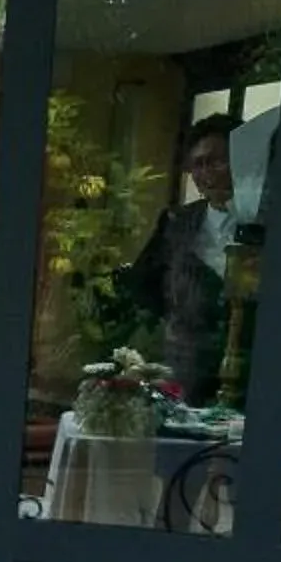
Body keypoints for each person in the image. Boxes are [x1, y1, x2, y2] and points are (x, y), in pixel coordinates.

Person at [121, 113, 243, 407]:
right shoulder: (177, 222)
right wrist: (181, 318)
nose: (207, 173)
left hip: (250, 376)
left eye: (216, 161)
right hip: (185, 375)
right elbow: (142, 282)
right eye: (198, 165)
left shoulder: (268, 224)